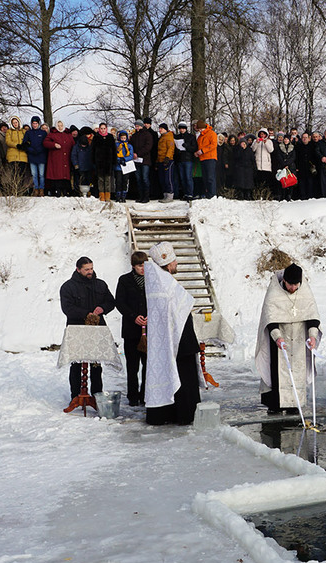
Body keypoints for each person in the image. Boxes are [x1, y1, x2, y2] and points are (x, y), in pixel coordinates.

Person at [144, 242, 201, 425]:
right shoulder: (166, 282)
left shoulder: (158, 281)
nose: (176, 264)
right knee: (185, 376)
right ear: (169, 263)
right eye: (175, 260)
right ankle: (185, 414)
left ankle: (167, 414)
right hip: (181, 339)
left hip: (170, 337)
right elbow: (179, 308)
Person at [255, 263, 321, 414]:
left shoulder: (304, 290)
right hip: (279, 339)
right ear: (284, 280)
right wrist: (277, 338)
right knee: (279, 371)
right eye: (290, 284)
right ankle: (276, 406)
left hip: (299, 338)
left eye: (296, 285)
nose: (293, 288)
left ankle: (295, 406)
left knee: (297, 371)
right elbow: (270, 319)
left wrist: (312, 336)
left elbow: (312, 316)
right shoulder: (274, 292)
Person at [59, 257, 116, 401]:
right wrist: (86, 314)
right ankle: (75, 396)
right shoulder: (67, 287)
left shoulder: (100, 285)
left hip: (97, 330)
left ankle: (97, 395)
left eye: (91, 268)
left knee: (96, 365)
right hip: (76, 330)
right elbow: (67, 308)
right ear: (78, 269)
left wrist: (102, 308)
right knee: (76, 365)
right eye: (86, 269)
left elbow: (111, 301)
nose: (90, 272)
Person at [116, 252, 148, 407]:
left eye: (144, 265)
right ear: (133, 266)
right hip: (131, 329)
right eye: (140, 266)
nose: (143, 269)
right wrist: (133, 316)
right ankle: (133, 396)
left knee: (148, 364)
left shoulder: (152, 280)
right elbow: (120, 303)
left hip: (149, 329)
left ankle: (145, 394)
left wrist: (150, 317)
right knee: (132, 365)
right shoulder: (124, 280)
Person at [195, 120, 218, 199]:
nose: (199, 130)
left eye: (200, 129)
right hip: (202, 158)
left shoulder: (212, 133)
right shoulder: (200, 136)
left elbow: (213, 145)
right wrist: (197, 152)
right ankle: (207, 193)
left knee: (210, 177)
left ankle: (212, 194)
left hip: (210, 158)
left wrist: (202, 151)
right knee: (205, 177)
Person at [156, 123, 175, 202]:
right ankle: (165, 195)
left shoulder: (169, 137)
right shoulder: (161, 138)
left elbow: (170, 148)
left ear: (165, 129)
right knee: (162, 178)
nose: (160, 130)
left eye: (161, 128)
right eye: (159, 128)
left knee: (168, 178)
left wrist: (167, 157)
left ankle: (170, 194)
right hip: (160, 160)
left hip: (167, 160)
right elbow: (159, 150)